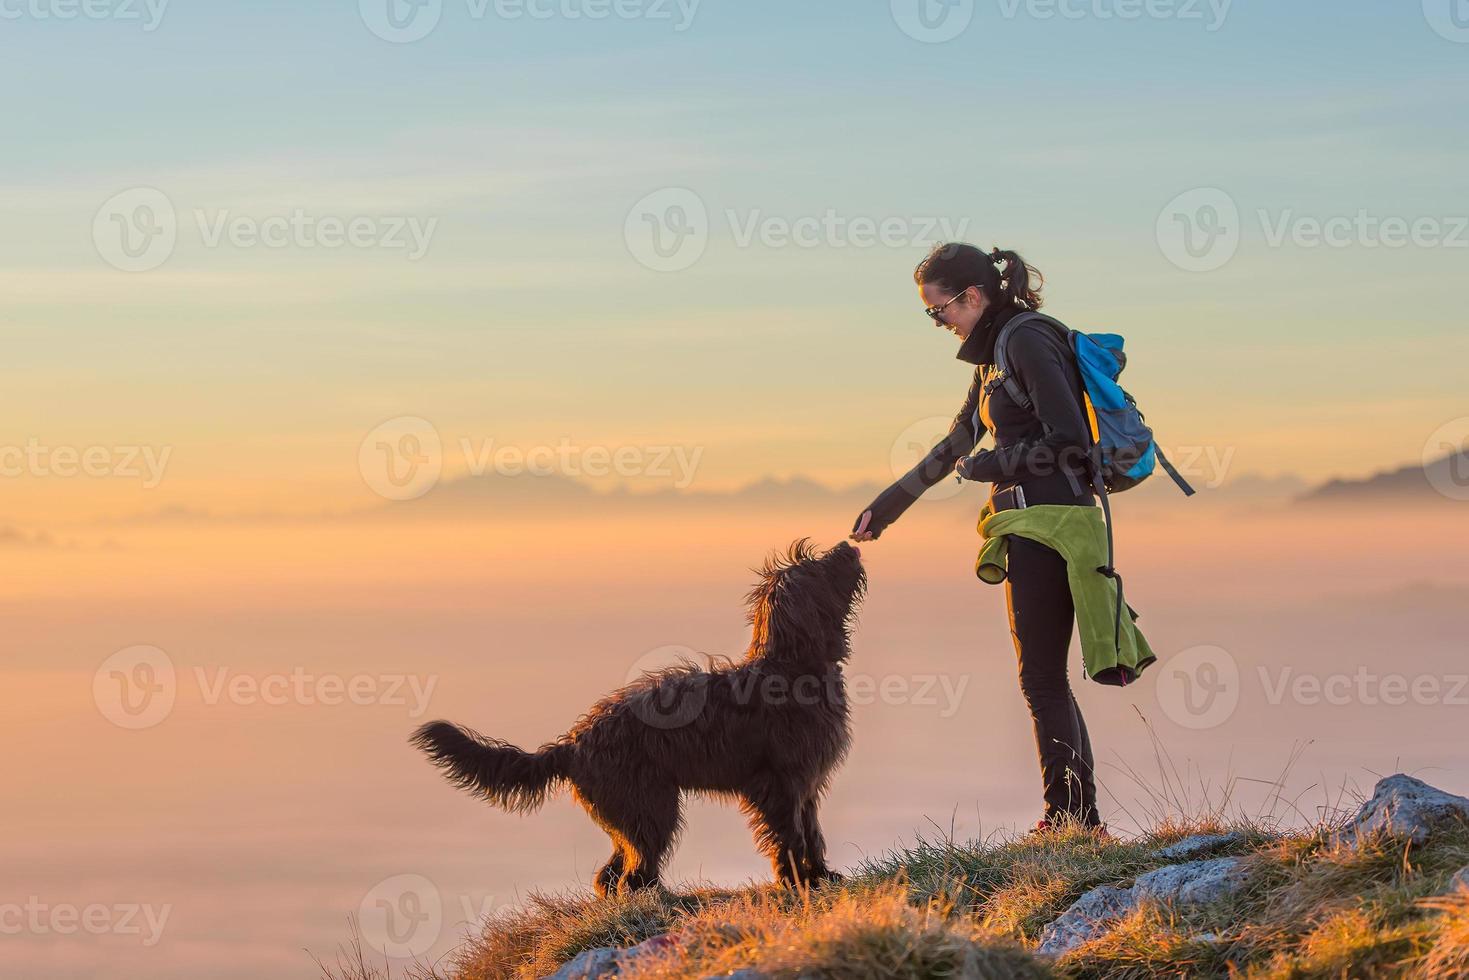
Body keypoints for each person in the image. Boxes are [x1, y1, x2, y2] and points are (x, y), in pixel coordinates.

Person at [850, 242, 1103, 831]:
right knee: (1044, 678)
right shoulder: (995, 355)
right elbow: (958, 441)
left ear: (971, 296)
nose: (938, 323)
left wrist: (990, 468)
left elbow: (1068, 436)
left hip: (1052, 521)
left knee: (1041, 678)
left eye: (938, 311)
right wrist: (887, 507)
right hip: (1028, 520)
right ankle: (1076, 819)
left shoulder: (1025, 340)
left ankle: (1069, 822)